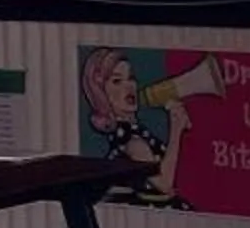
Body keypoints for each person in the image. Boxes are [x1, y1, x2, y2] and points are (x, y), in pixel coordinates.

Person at [79, 46, 189, 205]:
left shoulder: (135, 133)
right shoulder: (133, 142)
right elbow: (165, 184)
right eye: (117, 81)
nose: (129, 86)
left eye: (131, 78)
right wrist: (176, 129)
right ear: (101, 92)